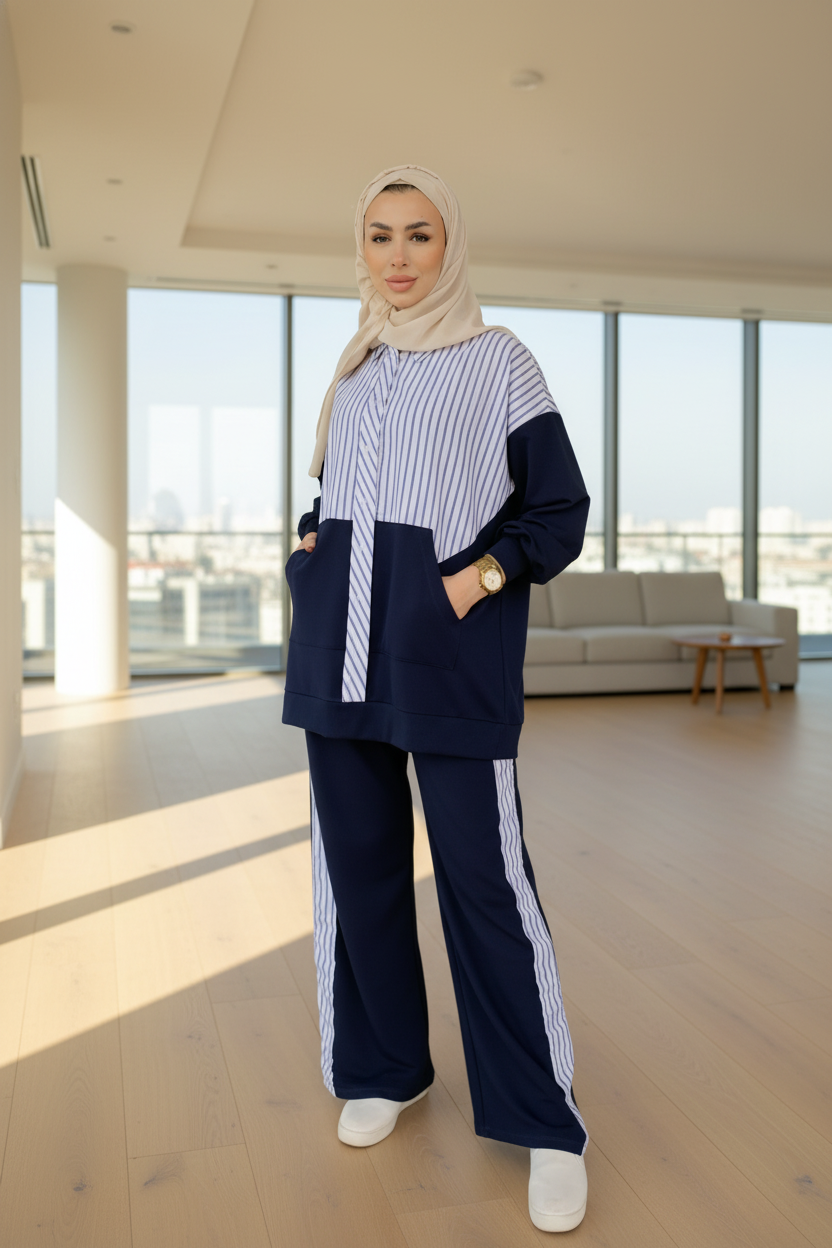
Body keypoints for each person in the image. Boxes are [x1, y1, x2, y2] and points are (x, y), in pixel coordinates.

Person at [283, 165, 590, 1234]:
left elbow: (558, 511)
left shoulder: (500, 361)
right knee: (355, 878)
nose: (399, 257)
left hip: (449, 665)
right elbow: (335, 493)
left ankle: (544, 1122)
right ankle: (384, 1068)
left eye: (419, 234)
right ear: (358, 249)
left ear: (449, 245)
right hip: (338, 662)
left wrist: (475, 578)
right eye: (379, 236)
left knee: (486, 888)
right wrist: (309, 551)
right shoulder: (355, 368)